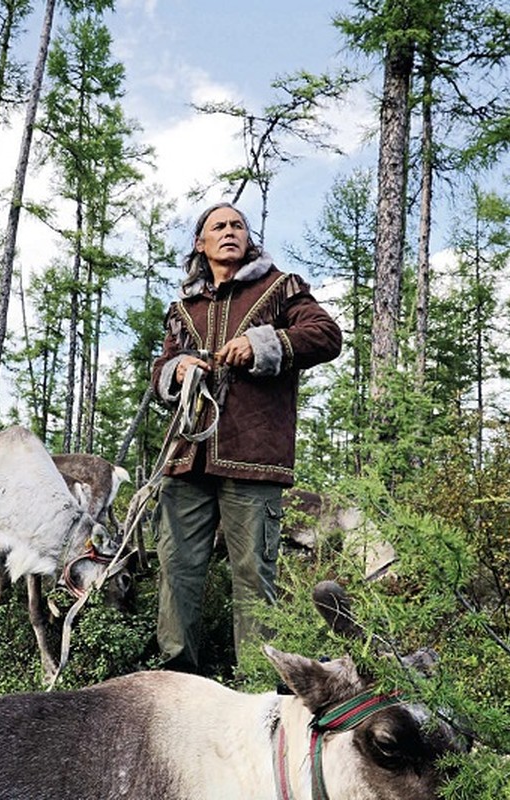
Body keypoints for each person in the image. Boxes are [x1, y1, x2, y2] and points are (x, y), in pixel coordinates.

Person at [150, 202, 342, 674]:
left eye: (238, 225)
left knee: (254, 576)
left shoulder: (279, 287)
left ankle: (258, 686)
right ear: (201, 243)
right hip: (185, 458)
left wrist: (261, 344)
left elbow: (326, 335)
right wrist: (178, 370)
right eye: (219, 226)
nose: (230, 231)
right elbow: (159, 374)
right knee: (176, 570)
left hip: (253, 457)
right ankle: (177, 679)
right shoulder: (184, 308)